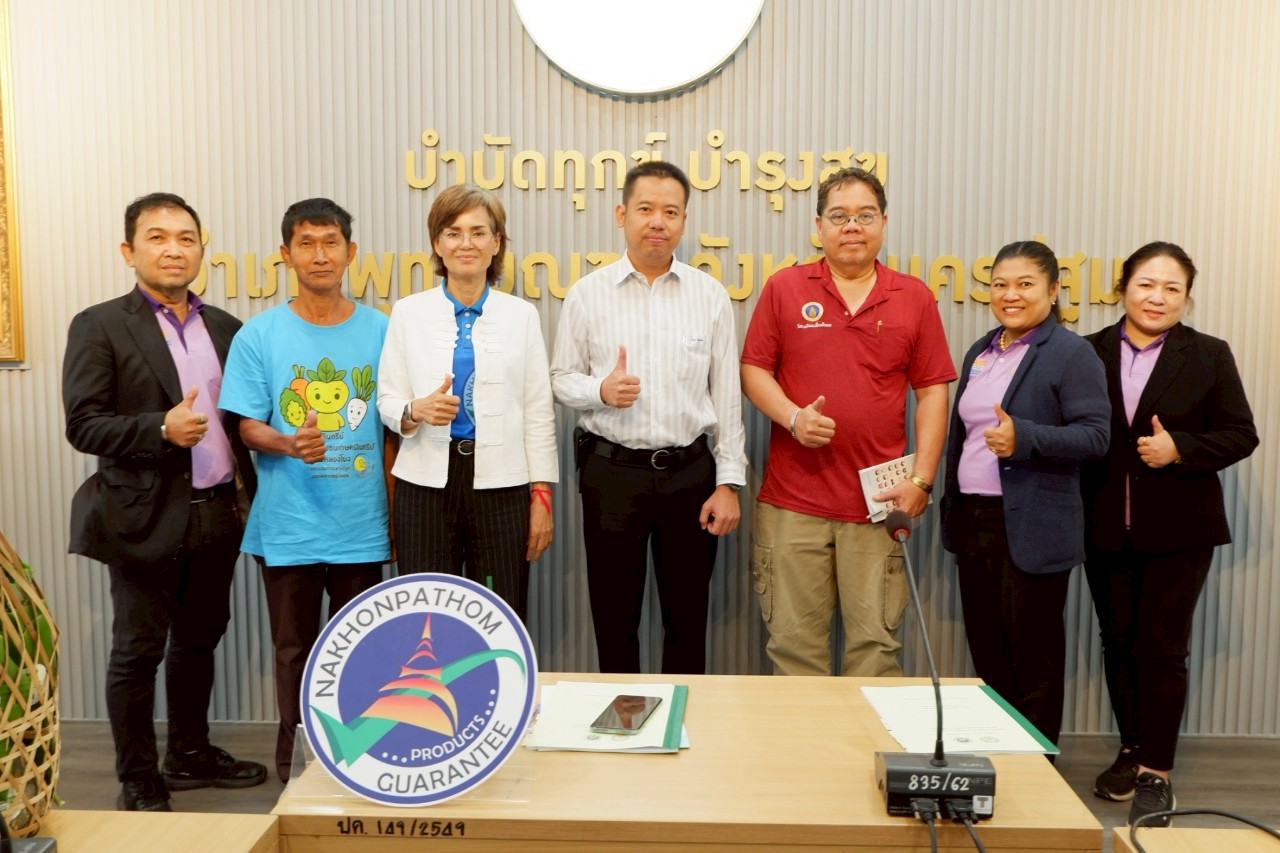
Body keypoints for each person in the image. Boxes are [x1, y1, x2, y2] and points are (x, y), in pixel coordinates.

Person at [62, 193, 267, 811]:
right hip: (142, 516)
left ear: (202, 250)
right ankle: (137, 776)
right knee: (137, 651)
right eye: (157, 237)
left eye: (185, 238)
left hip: (218, 512)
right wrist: (159, 428)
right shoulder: (99, 324)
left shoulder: (226, 328)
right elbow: (84, 424)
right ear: (129, 250)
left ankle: (189, 752)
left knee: (200, 640)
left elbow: (241, 420)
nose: (173, 249)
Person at [740, 167, 956, 677]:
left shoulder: (913, 297)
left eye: (864, 215)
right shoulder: (785, 288)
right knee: (794, 652)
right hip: (793, 504)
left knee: (875, 652)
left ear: (884, 223)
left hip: (879, 505)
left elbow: (932, 392)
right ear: (818, 226)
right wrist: (793, 417)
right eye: (839, 216)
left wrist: (922, 480)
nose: (852, 226)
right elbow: (753, 369)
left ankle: (865, 737)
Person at [1081, 242, 1257, 826]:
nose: (1157, 297)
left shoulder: (1208, 354)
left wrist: (1180, 448)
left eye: (1172, 288)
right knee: (1117, 643)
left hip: (1180, 530)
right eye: (1146, 284)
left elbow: (1241, 433)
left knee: (1161, 649)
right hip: (1104, 526)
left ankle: (1157, 771)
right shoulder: (1088, 351)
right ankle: (1131, 749)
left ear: (1186, 297)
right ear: (1123, 288)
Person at [219, 198, 392, 783]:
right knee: (293, 652)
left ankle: (359, 764)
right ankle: (295, 773)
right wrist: (289, 442)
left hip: (362, 524)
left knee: (361, 654)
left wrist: (396, 512)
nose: (320, 254)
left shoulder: (383, 330)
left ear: (351, 251)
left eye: (330, 242)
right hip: (288, 524)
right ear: (286, 253)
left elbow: (394, 429)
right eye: (307, 243)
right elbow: (246, 426)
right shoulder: (259, 334)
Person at [550, 161, 747, 674]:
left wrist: (728, 483)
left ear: (683, 221)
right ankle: (622, 717)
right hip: (611, 473)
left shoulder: (709, 296)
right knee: (614, 616)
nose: (657, 221)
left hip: (690, 476)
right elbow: (560, 379)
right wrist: (599, 390)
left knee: (688, 619)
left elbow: (727, 397)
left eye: (670, 212)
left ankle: (686, 715)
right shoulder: (588, 293)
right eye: (645, 209)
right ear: (622, 214)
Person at [939, 240, 1110, 749]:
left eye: (1024, 284)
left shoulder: (1071, 353)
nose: (1009, 295)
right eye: (999, 284)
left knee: (1033, 657)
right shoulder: (982, 349)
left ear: (1053, 290)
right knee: (988, 652)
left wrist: (1026, 437)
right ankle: (999, 755)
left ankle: (1037, 767)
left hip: (1032, 524)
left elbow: (1095, 437)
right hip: (974, 520)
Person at [377, 184, 557, 621]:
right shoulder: (408, 312)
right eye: (453, 233)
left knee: (499, 611)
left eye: (479, 232)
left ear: (497, 243)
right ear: (437, 243)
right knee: (426, 613)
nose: (466, 244)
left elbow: (538, 413)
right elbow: (387, 399)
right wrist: (414, 410)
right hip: (424, 486)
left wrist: (541, 496)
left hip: (502, 486)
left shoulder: (521, 315)